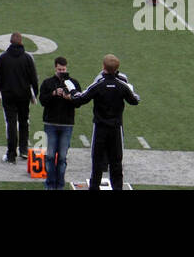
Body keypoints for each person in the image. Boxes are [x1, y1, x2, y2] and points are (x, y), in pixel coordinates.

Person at [60, 54, 140, 191]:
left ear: (103, 67)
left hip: (100, 128)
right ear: (117, 69)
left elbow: (80, 98)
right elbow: (135, 100)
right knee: (116, 164)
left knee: (97, 164)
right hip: (116, 128)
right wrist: (131, 89)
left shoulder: (99, 84)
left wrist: (70, 86)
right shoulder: (122, 85)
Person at [0, 32, 40, 165]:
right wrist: (34, 94)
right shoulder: (28, 58)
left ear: (10, 42)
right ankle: (23, 149)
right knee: (24, 121)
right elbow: (34, 78)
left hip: (8, 96)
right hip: (24, 95)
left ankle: (11, 154)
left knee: (11, 124)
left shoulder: (3, 57)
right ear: (21, 42)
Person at [38, 57, 81, 190]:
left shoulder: (73, 83)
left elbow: (79, 102)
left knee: (62, 158)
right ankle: (50, 185)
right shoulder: (48, 83)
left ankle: (60, 185)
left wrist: (70, 98)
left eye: (63, 69)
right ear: (55, 68)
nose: (61, 72)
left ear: (66, 68)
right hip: (50, 123)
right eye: (59, 69)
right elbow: (42, 101)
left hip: (67, 124)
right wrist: (54, 93)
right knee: (50, 156)